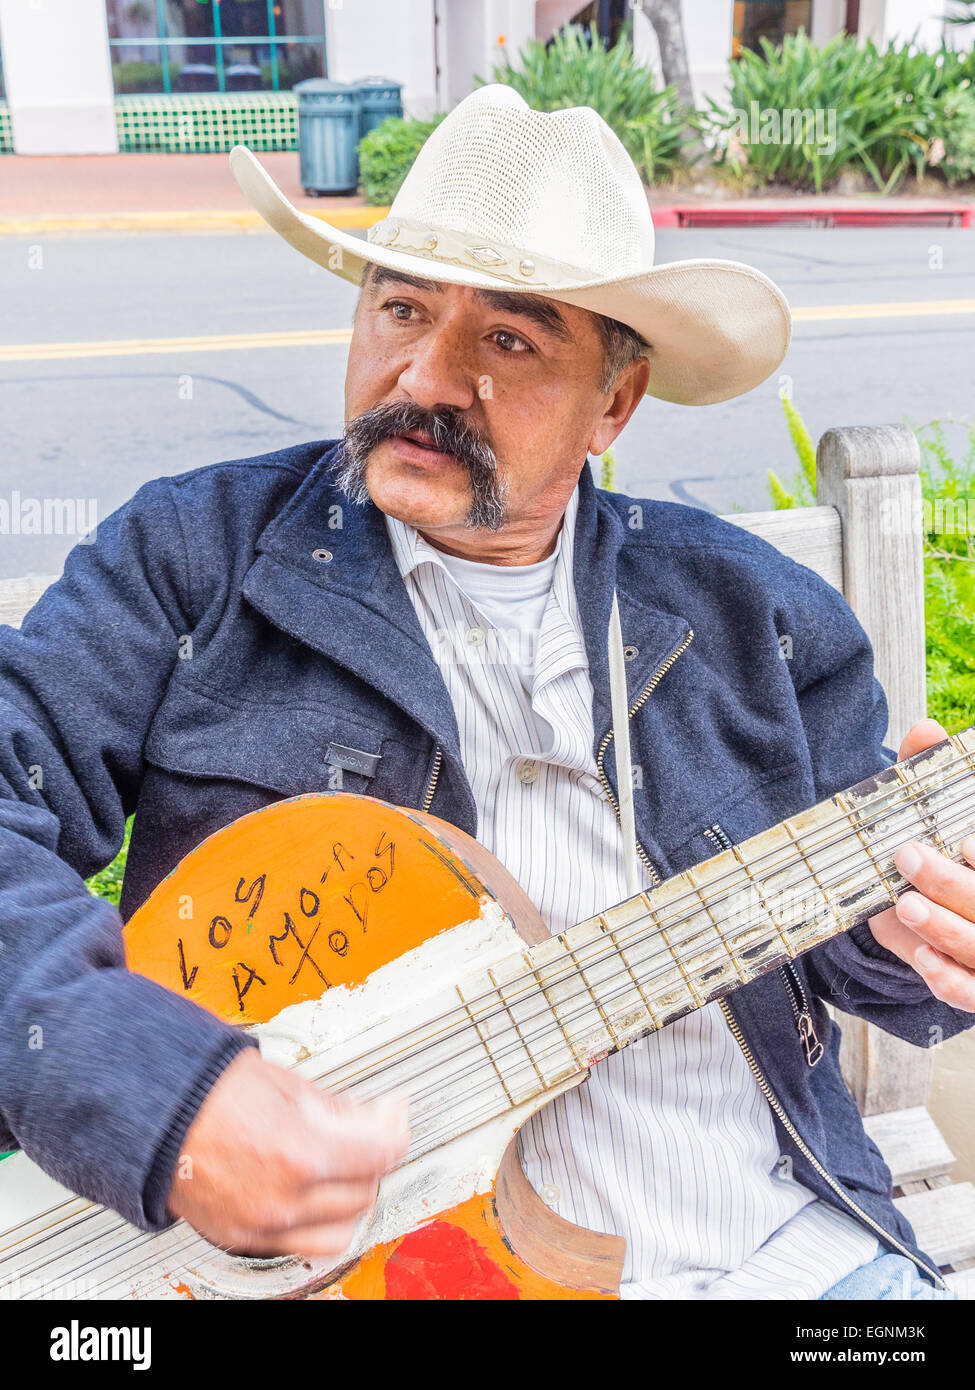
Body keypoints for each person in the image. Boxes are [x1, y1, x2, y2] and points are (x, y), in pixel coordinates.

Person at [0, 86, 972, 1300]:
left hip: (783, 1255)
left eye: (509, 340)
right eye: (400, 307)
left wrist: (916, 935)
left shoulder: (757, 614)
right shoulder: (192, 561)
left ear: (614, 403)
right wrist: (159, 1091)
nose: (427, 375)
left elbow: (871, 969)